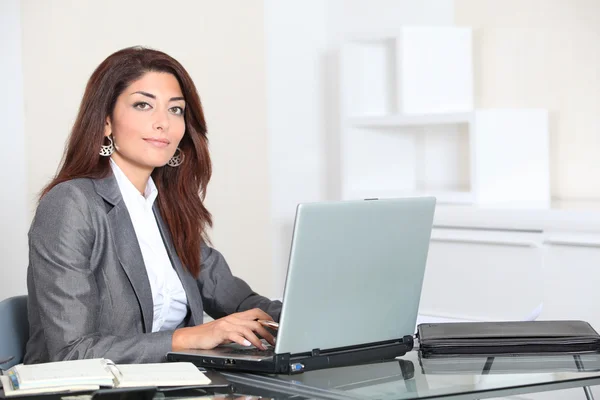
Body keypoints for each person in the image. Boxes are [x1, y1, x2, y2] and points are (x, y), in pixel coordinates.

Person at [24, 46, 281, 364]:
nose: (163, 123)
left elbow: (238, 300)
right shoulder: (71, 204)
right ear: (106, 123)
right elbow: (71, 352)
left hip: (176, 386)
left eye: (175, 110)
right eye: (143, 105)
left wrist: (306, 319)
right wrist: (189, 337)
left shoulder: (168, 206)